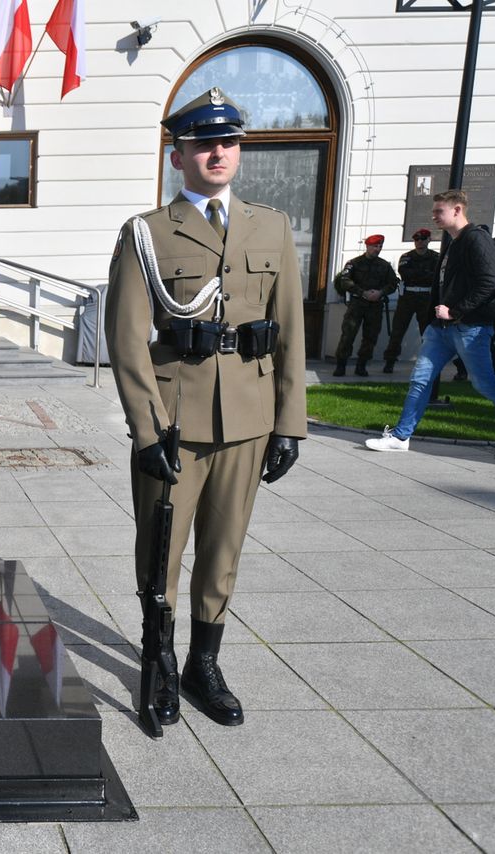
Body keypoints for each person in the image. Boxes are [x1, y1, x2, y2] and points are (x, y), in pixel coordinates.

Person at [105, 87, 306, 728]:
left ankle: (204, 663)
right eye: (203, 143)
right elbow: (126, 336)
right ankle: (160, 657)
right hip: (175, 419)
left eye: (229, 142)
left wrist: (289, 423)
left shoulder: (269, 225)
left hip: (248, 419)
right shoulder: (148, 232)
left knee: (223, 549)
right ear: (178, 155)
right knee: (160, 550)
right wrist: (144, 430)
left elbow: (290, 327)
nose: (218, 152)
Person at [365, 189, 495, 451]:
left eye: (439, 211)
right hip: (441, 329)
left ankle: (401, 436)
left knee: (484, 384)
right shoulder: (453, 242)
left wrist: (456, 311)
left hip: (469, 327)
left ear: (457, 210)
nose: (434, 216)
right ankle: (401, 437)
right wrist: (434, 321)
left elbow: (490, 282)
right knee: (420, 379)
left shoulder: (476, 239)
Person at [332, 234, 398, 376]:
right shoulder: (354, 263)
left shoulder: (384, 265)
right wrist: (362, 292)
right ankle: (341, 364)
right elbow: (345, 281)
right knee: (348, 334)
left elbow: (393, 283)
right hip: (357, 304)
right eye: (375, 246)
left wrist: (380, 293)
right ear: (367, 246)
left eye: (380, 246)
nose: (378, 249)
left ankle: (362, 365)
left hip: (375, 306)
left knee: (371, 336)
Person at [383, 228, 439, 373]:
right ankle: (390, 361)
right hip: (408, 297)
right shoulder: (406, 256)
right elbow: (406, 274)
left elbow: (436, 277)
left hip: (426, 297)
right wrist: (425, 275)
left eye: (423, 239)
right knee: (397, 331)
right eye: (417, 239)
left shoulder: (436, 257)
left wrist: (421, 275)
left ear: (429, 240)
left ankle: (426, 362)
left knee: (426, 332)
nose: (419, 242)